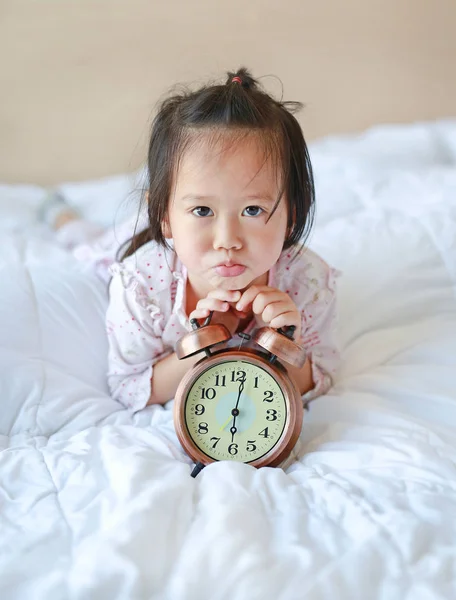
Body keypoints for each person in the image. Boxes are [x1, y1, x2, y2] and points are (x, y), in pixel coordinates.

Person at [43, 67, 340, 412]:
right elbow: (128, 387)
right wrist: (205, 344)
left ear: (292, 216)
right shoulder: (141, 282)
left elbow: (320, 381)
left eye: (253, 210)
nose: (227, 241)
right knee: (93, 245)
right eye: (202, 210)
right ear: (165, 217)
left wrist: (288, 341)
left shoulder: (309, 282)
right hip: (132, 245)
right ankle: (62, 217)